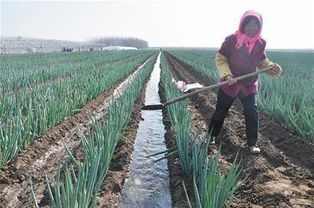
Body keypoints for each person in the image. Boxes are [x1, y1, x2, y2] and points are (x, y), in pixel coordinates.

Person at [207, 10, 282, 154]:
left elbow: (262, 61)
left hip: (248, 84)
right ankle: (211, 137)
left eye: (255, 25)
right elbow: (221, 59)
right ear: (243, 25)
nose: (252, 28)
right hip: (230, 83)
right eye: (249, 24)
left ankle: (252, 143)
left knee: (251, 112)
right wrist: (227, 76)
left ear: (259, 27)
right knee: (221, 111)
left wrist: (272, 67)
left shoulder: (261, 43)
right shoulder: (231, 40)